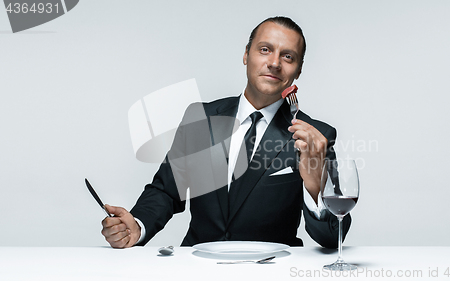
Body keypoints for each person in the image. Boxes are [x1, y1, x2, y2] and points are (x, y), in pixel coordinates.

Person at [101, 16, 351, 249]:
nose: (274, 63)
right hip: (197, 266)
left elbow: (332, 238)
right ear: (246, 54)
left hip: (271, 270)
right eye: (265, 50)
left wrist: (315, 187)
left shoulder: (316, 137)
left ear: (298, 70)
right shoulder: (201, 118)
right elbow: (167, 190)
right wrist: (138, 226)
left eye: (287, 57)